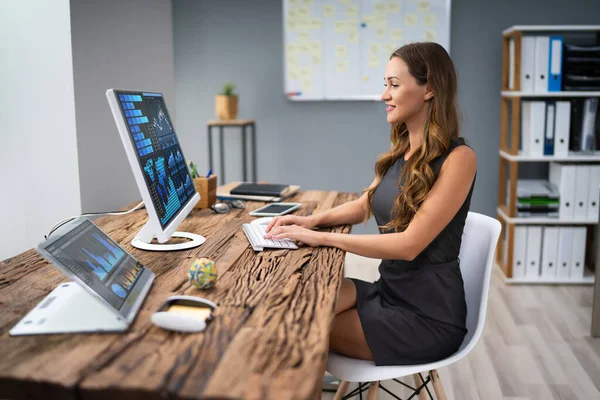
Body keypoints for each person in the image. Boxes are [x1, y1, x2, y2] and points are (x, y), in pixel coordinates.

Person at [265, 41, 476, 396]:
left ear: (430, 89)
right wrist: (311, 223)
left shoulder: (459, 158)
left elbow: (409, 246)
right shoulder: (403, 152)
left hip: (427, 317)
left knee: (300, 327)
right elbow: (365, 204)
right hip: (387, 292)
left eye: (394, 85)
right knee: (298, 302)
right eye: (385, 84)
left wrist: (326, 238)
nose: (384, 95)